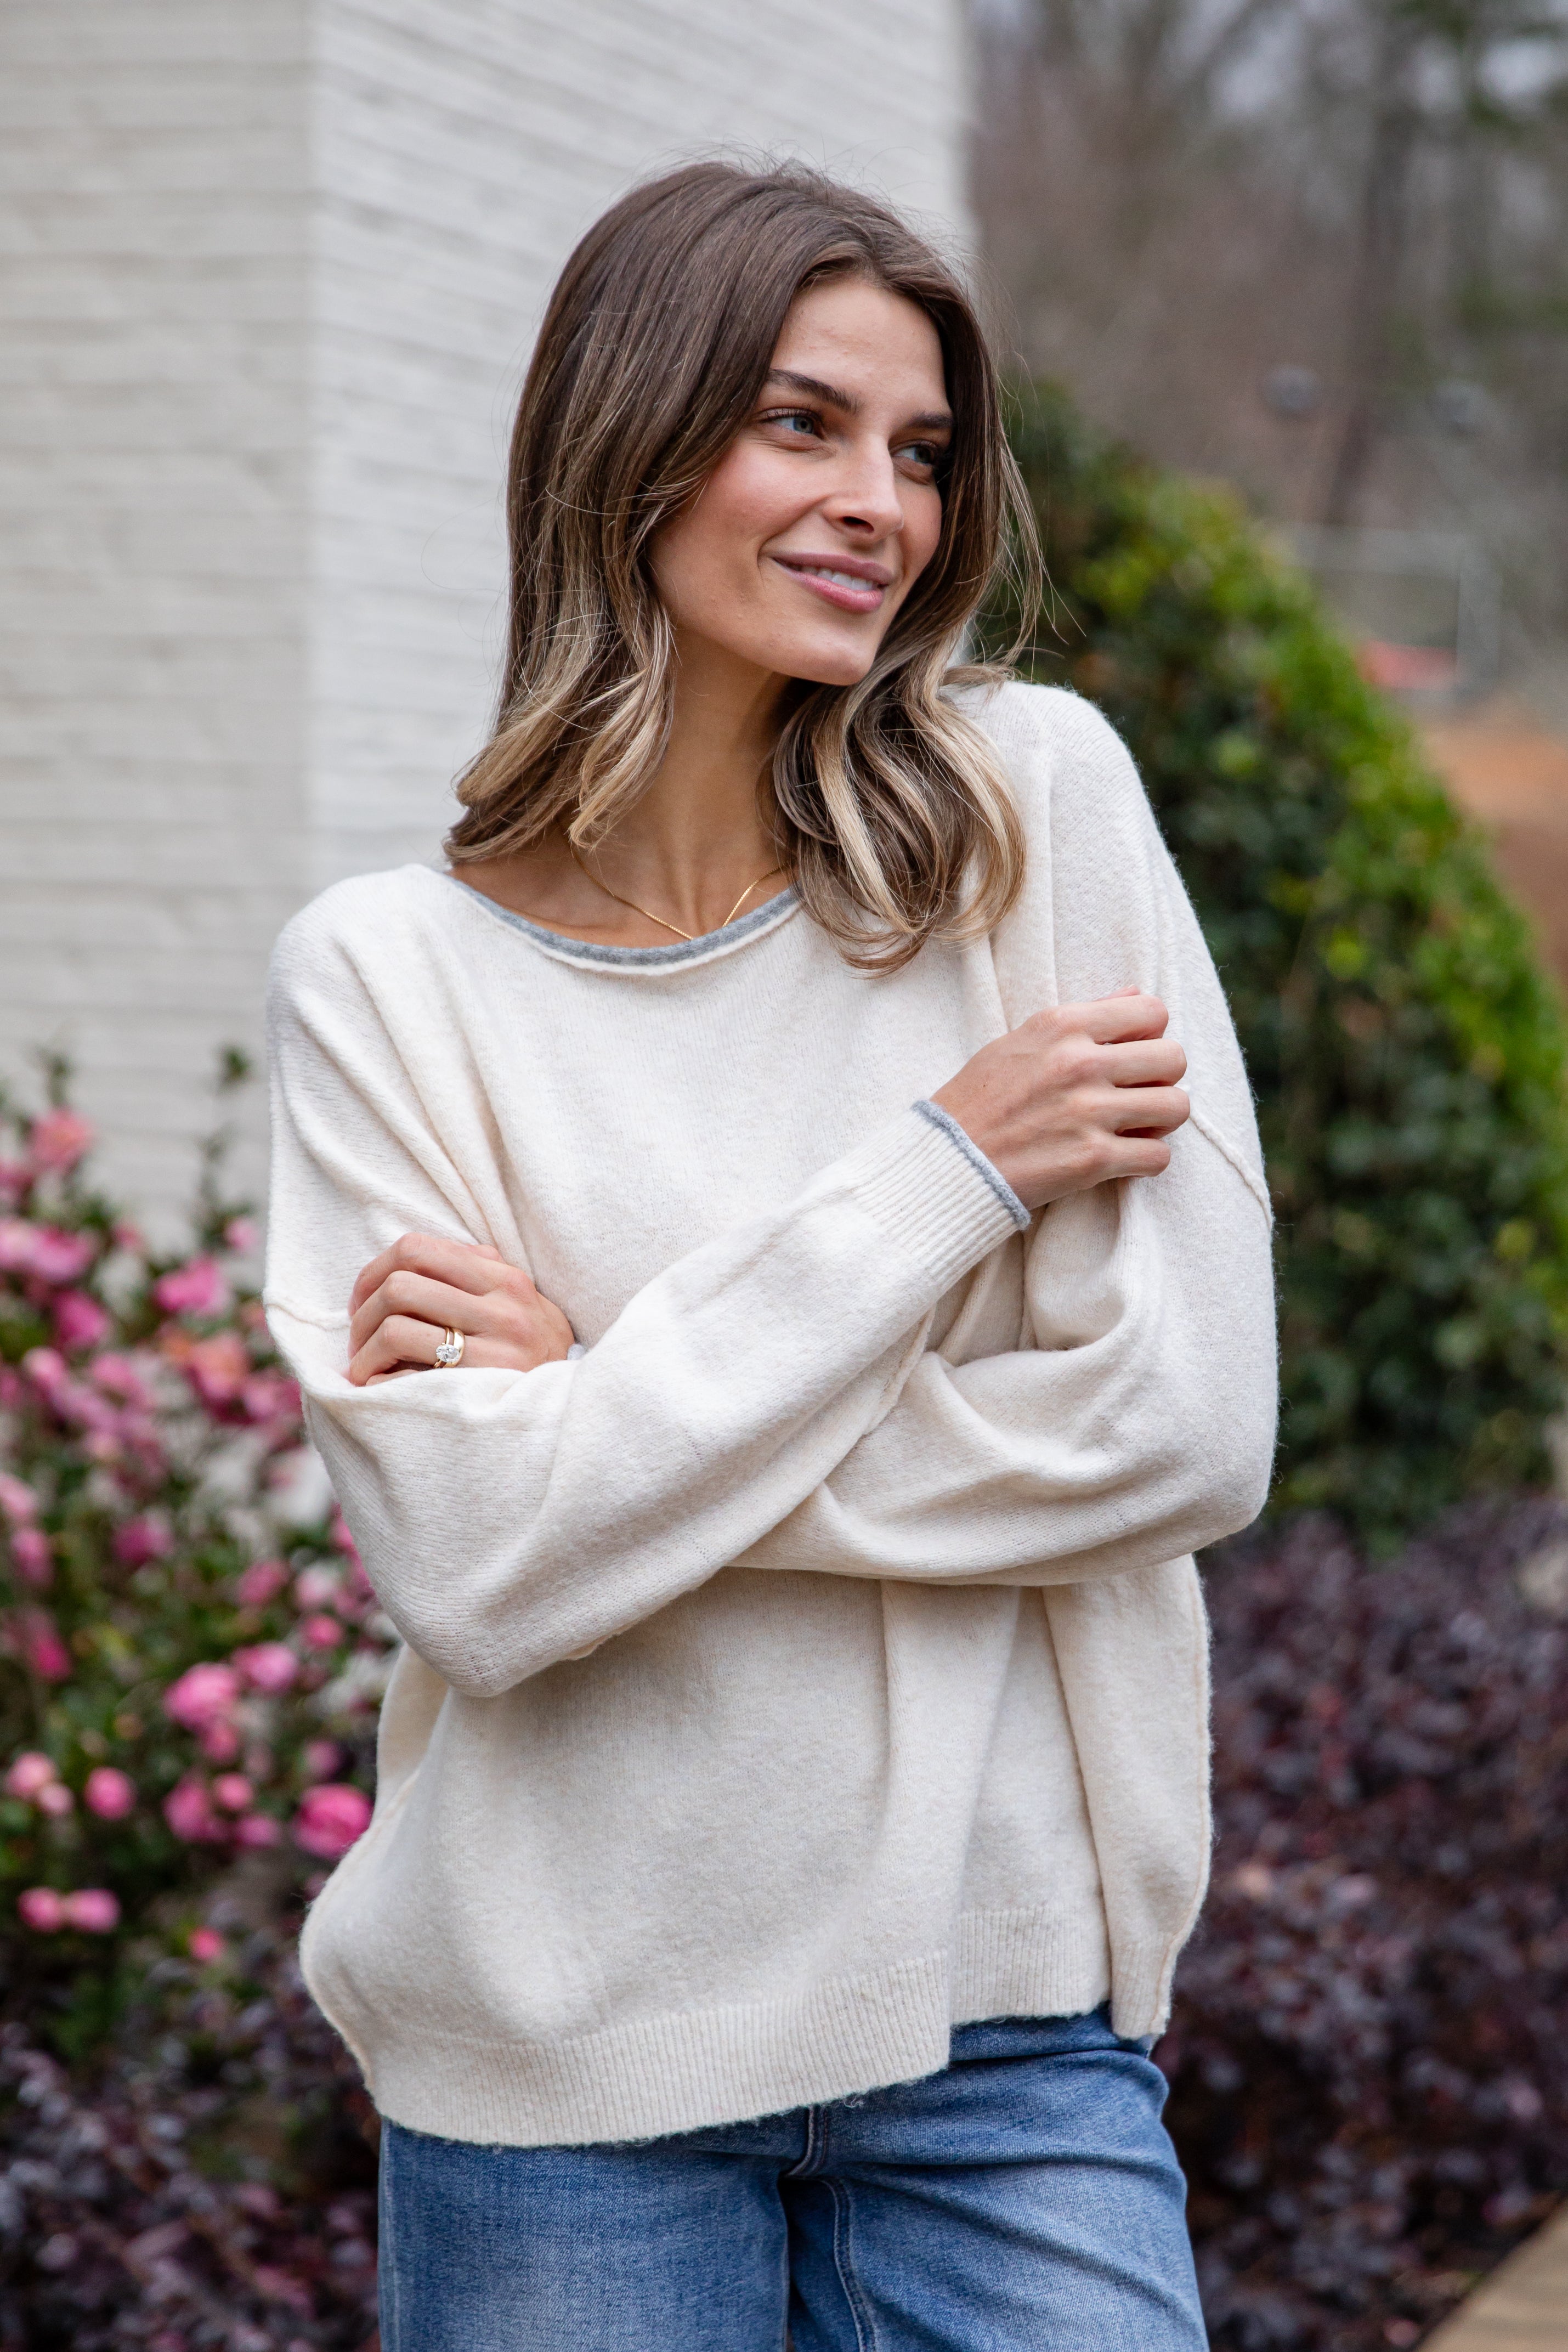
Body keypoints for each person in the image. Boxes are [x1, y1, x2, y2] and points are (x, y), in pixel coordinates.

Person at [264, 161, 1276, 2352]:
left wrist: (612, 1396)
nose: (879, 506)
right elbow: (478, 1565)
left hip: (1001, 2033)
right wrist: (946, 1173)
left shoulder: (1033, 816)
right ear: (626, 438)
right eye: (800, 424)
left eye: (918, 451)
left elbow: (1180, 1427)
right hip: (554, 2060)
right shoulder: (388, 976)